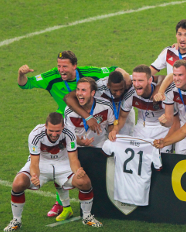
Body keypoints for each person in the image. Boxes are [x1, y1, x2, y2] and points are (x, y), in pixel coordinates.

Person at [17, 50, 127, 217]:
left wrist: (128, 80)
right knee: (61, 162)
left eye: (65, 66)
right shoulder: (51, 77)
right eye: (59, 65)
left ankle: (104, 198)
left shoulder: (88, 73)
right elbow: (25, 84)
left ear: (75, 66)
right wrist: (20, 73)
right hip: (65, 125)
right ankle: (61, 204)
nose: (61, 70)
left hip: (89, 120)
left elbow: (115, 69)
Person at [4, 112, 102, 232]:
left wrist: (78, 170)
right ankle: (16, 220)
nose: (54, 134)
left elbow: (73, 159)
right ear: (45, 126)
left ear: (63, 127)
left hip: (63, 164)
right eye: (51, 130)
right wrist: (34, 175)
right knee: (18, 183)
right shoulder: (35, 134)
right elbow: (34, 162)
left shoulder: (69, 132)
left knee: (84, 182)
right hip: (41, 163)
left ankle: (87, 217)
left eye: (57, 131)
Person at [109, 65, 179, 153]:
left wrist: (166, 140)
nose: (136, 84)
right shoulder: (131, 95)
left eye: (140, 81)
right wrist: (115, 130)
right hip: (141, 129)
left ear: (150, 80)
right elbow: (123, 117)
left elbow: (175, 122)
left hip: (162, 130)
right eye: (134, 80)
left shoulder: (164, 94)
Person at [65, 71, 136, 136]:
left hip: (125, 113)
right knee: (108, 137)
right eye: (115, 90)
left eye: (121, 89)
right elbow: (68, 98)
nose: (119, 93)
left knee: (127, 137)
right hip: (107, 113)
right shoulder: (99, 86)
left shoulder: (130, 83)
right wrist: (88, 117)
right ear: (108, 85)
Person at [64, 77, 115, 147]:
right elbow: (68, 134)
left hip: (101, 146)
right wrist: (79, 142)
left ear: (92, 93)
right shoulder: (69, 112)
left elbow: (111, 124)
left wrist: (111, 133)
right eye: (78, 90)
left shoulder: (106, 106)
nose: (79, 93)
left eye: (83, 90)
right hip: (79, 148)